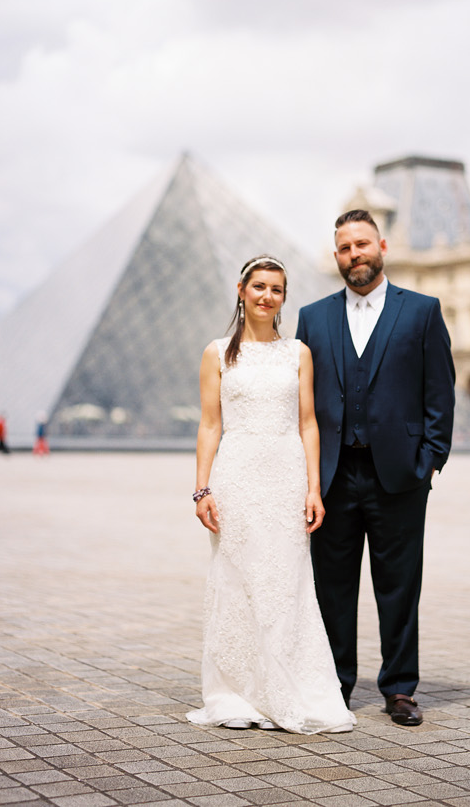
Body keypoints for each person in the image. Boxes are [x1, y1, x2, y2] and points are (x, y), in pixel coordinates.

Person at [295, 210, 456, 727]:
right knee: (332, 587)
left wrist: (429, 463)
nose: (354, 255)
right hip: (334, 477)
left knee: (400, 585)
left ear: (381, 245)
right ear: (336, 255)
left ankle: (400, 688)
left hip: (400, 476)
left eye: (362, 244)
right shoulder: (313, 317)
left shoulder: (422, 311)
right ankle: (335, 684)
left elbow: (441, 393)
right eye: (344, 248)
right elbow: (300, 404)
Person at [188, 255, 354, 734]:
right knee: (235, 581)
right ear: (241, 290)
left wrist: (313, 488)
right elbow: (209, 424)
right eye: (259, 287)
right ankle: (234, 694)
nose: (267, 296)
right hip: (236, 476)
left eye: (277, 289)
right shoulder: (216, 353)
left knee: (287, 583)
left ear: (284, 297)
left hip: (284, 478)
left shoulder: (297, 352)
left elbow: (308, 423)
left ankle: (287, 687)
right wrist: (202, 488)